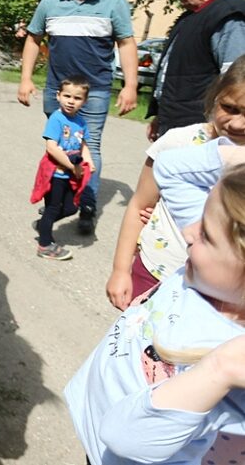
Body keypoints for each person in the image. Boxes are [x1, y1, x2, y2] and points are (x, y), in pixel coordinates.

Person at [65, 145, 245, 465]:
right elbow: (169, 167)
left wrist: (222, 369)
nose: (188, 233)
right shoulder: (211, 274)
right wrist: (236, 159)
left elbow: (124, 438)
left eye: (206, 234)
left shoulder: (231, 356)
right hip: (93, 418)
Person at [106, 56, 245, 310]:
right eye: (229, 107)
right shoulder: (180, 142)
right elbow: (139, 205)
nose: (236, 123)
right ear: (215, 97)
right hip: (154, 271)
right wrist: (120, 270)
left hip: (223, 294)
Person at [18, 0, 139, 235]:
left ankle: (86, 203)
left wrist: (131, 85)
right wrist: (25, 78)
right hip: (57, 90)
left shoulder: (113, 2)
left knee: (89, 145)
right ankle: (54, 199)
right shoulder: (50, 2)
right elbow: (34, 39)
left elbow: (126, 43)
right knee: (58, 145)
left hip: (95, 89)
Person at [148, 0, 245, 142]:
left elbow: (236, 81)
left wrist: (219, 126)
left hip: (201, 128)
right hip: (175, 120)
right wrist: (160, 114)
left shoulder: (228, 17)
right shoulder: (192, 15)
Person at [30, 75, 94, 261]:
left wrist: (89, 161)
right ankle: (44, 245)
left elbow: (83, 144)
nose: (71, 102)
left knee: (71, 208)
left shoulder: (81, 122)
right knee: (52, 208)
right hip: (56, 174)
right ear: (58, 96)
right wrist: (72, 167)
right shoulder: (57, 119)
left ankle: (43, 225)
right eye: (67, 96)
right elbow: (51, 147)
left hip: (71, 174)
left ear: (84, 101)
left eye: (77, 98)